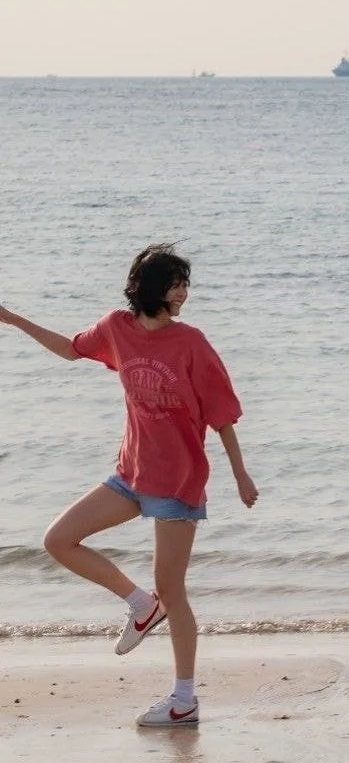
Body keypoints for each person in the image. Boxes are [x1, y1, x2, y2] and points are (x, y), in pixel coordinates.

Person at [0, 244, 258, 728]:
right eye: (176, 284)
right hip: (132, 472)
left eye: (185, 284)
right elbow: (71, 349)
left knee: (173, 590)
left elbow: (222, 414)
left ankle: (184, 700)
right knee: (58, 539)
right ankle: (141, 605)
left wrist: (240, 473)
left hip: (177, 480)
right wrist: (13, 320)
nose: (183, 293)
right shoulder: (117, 328)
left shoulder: (192, 343)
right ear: (149, 288)